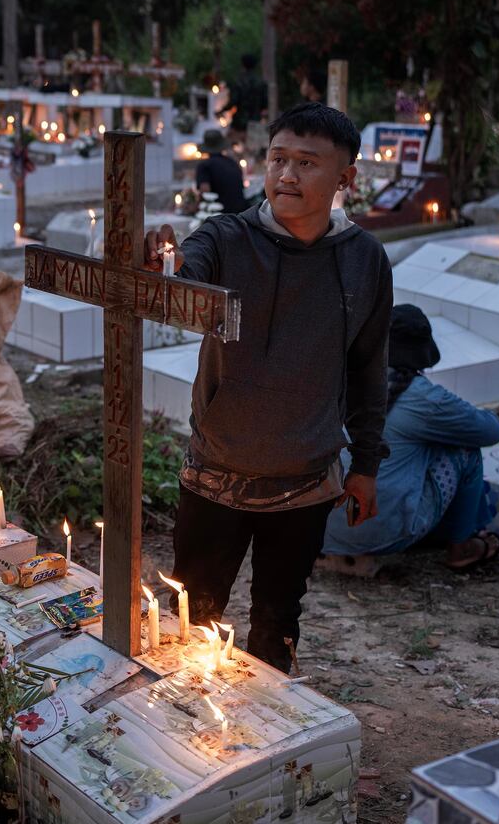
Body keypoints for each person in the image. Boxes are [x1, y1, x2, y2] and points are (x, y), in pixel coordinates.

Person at [147, 101, 391, 673]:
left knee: (277, 621)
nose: (287, 175)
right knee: (193, 614)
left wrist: (366, 464)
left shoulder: (364, 260)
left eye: (307, 163)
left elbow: (368, 367)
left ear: (344, 179)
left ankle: (269, 747)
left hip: (304, 480)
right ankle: (182, 741)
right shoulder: (227, 239)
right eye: (278, 158)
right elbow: (184, 283)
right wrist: (161, 266)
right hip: (216, 469)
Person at [322, 305, 499, 567]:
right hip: (381, 532)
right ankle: (462, 546)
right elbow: (491, 431)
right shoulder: (422, 397)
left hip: (319, 529)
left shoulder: (341, 377)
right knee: (464, 451)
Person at [193, 129, 248, 214]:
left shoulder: (204, 166)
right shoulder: (232, 162)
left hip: (219, 216)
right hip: (240, 214)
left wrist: (195, 208)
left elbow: (205, 191)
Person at [218, 53, 268, 138]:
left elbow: (233, 101)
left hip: (240, 121)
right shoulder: (261, 83)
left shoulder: (238, 81)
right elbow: (265, 103)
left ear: (242, 65)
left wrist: (221, 110)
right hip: (255, 121)